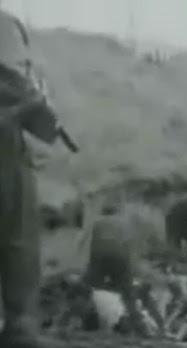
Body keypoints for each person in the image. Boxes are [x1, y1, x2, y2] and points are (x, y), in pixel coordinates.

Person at [0, 8, 63, 348]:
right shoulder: (4, 25)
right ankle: (19, 327)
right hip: (5, 154)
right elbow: (21, 89)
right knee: (19, 241)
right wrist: (35, 104)